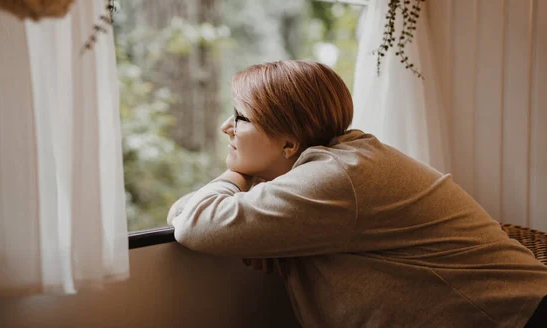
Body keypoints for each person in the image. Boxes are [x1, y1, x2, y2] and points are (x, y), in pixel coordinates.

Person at [167, 60, 547, 327]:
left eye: (239, 117)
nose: (225, 127)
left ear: (288, 142)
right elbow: (186, 215)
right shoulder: (336, 167)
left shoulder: (336, 177)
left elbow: (195, 224)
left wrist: (235, 175)